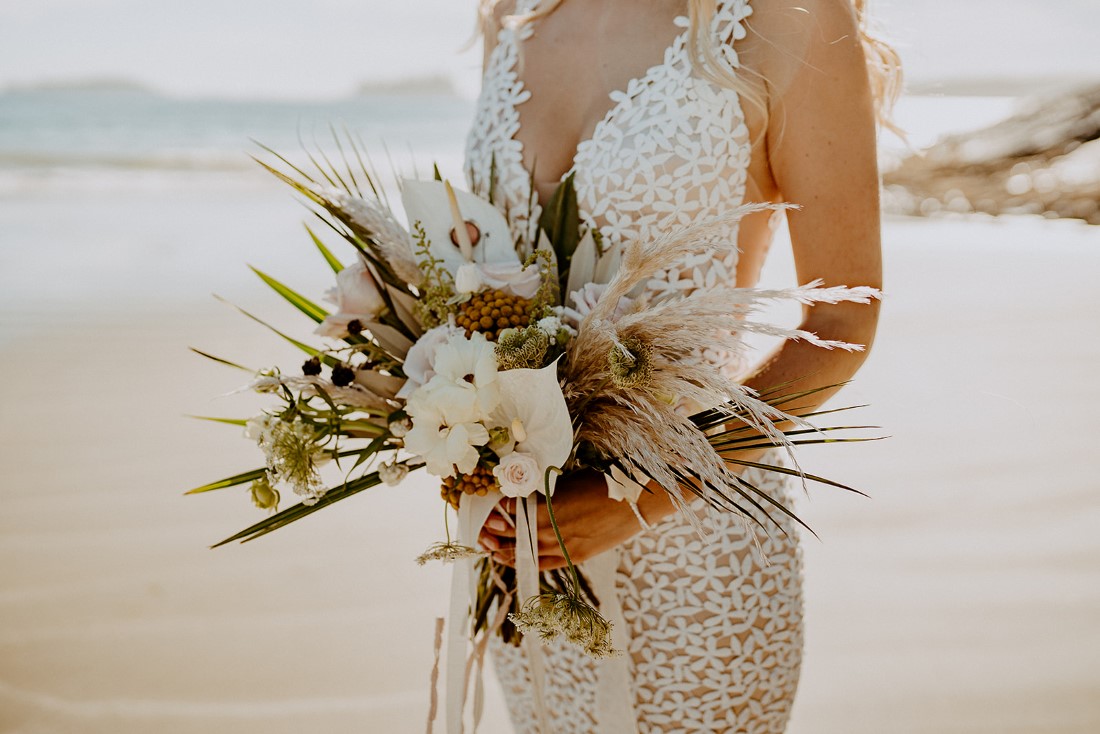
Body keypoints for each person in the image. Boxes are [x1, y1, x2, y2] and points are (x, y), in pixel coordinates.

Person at [466, 0, 900, 730]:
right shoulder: (514, 17)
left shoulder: (789, 17)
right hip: (525, 548)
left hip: (696, 548)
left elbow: (842, 323)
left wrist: (641, 495)